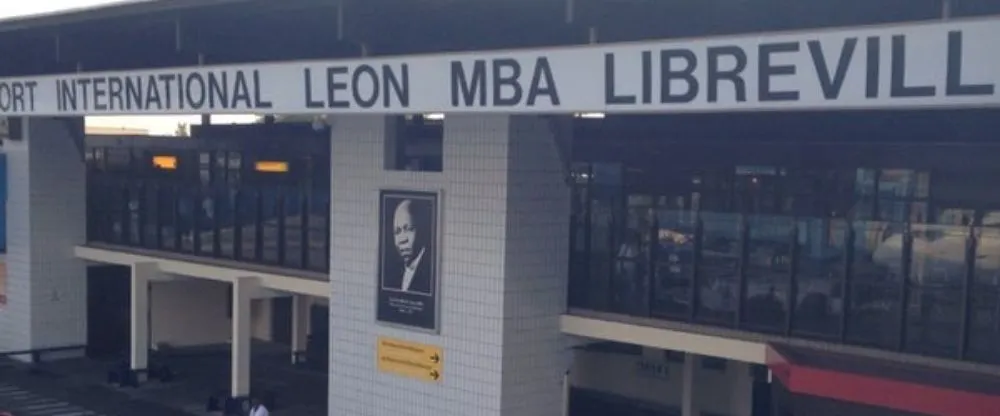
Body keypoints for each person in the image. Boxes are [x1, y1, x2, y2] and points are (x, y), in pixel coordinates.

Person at [384, 198, 432, 294]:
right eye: (397, 232)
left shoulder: (429, 271)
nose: (402, 239)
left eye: (409, 229)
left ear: (422, 230)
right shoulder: (393, 274)